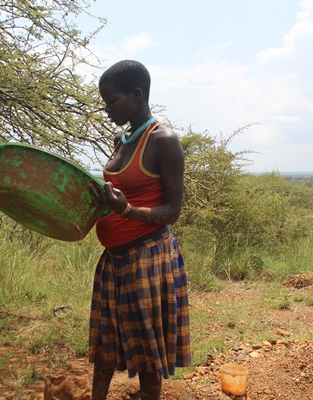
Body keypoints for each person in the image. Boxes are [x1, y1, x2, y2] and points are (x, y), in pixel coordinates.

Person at [88, 60, 191, 400]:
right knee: (104, 347)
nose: (107, 109)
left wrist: (126, 210)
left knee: (148, 354)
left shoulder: (163, 140)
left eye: (112, 101)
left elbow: (172, 211)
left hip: (147, 257)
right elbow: (120, 190)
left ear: (137, 94)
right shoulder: (122, 138)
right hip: (114, 262)